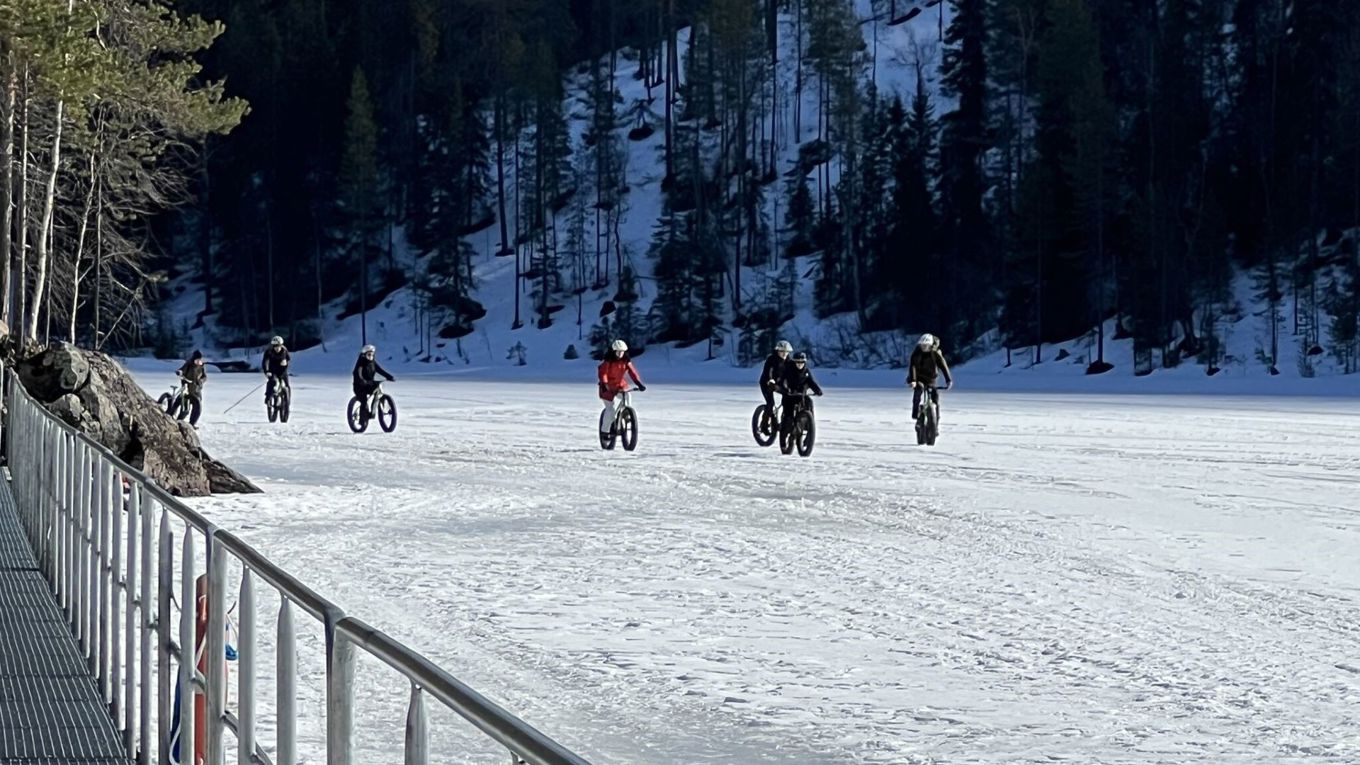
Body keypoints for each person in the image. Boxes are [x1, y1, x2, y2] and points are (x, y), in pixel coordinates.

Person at [597, 339, 645, 434]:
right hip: (606, 388)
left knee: (627, 396)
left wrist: (638, 383)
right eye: (618, 352)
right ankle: (605, 432)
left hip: (619, 385)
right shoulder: (608, 361)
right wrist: (606, 384)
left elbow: (632, 372)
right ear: (614, 351)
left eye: (622, 352)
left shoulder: (626, 361)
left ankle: (627, 414)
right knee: (611, 411)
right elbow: (603, 374)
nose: (620, 354)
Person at [906, 333, 953, 420]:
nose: (923, 347)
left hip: (931, 379)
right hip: (918, 378)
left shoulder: (935, 354)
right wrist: (913, 380)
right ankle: (915, 412)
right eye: (922, 345)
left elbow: (943, 366)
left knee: (935, 397)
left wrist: (948, 380)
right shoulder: (916, 354)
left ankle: (936, 420)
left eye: (926, 345)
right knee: (919, 388)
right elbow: (912, 367)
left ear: (930, 345)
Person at [776, 351, 823, 435]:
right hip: (789, 395)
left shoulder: (806, 371)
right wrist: (785, 389)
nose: (800, 364)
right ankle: (785, 426)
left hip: (801, 395)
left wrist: (818, 390)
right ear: (794, 362)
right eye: (797, 362)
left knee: (809, 402)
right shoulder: (788, 370)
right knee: (788, 415)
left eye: (802, 362)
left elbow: (811, 382)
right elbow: (782, 381)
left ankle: (809, 424)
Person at [352, 344, 394, 418]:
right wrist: (362, 380)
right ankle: (362, 420)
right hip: (359, 387)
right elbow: (358, 373)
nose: (371, 356)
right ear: (364, 355)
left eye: (372, 354)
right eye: (369, 354)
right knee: (364, 402)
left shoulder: (372, 363)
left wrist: (389, 376)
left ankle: (380, 408)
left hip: (369, 384)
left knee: (378, 390)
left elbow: (380, 370)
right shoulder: (361, 363)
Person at [759, 340, 793, 411]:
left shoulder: (789, 361)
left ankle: (785, 418)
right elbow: (768, 371)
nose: (784, 354)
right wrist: (770, 379)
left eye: (786, 351)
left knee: (789, 398)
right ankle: (765, 421)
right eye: (782, 351)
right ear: (777, 351)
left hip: (779, 383)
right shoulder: (771, 359)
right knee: (770, 404)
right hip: (767, 383)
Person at [176, 350, 207, 427]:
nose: (198, 362)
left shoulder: (201, 366)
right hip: (187, 390)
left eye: (200, 360)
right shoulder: (188, 365)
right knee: (185, 410)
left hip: (196, 390)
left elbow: (204, 376)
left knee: (197, 409)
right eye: (197, 360)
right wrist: (179, 372)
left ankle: (192, 424)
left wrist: (201, 381)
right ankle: (178, 422)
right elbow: (182, 370)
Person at [262, 336, 291, 403]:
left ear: (281, 345)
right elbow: (265, 362)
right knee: (271, 382)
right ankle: (268, 397)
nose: (277, 348)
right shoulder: (268, 351)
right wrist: (266, 371)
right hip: (272, 370)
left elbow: (288, 360)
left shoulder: (284, 351)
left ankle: (287, 401)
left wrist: (285, 363)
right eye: (275, 346)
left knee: (287, 385)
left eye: (278, 346)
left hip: (282, 370)